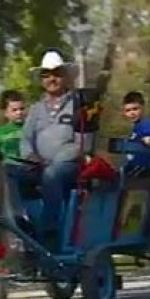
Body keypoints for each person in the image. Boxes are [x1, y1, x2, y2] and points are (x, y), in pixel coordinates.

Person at [16, 48, 95, 244]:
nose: (52, 79)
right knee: (8, 173)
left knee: (52, 174)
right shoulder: (36, 109)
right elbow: (25, 138)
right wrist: (30, 156)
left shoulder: (79, 104)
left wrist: (55, 161)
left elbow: (83, 144)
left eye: (56, 74)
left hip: (69, 165)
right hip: (37, 164)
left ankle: (50, 231)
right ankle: (22, 225)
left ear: (65, 76)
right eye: (46, 75)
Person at [121, 91, 150, 177]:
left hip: (141, 168)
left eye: (135, 109)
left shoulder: (146, 124)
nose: (132, 113)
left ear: (142, 108)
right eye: (128, 110)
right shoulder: (136, 127)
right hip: (132, 167)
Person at [0, 90, 27, 161]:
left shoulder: (33, 130)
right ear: (6, 113)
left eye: (22, 109)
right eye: (14, 110)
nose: (19, 112)